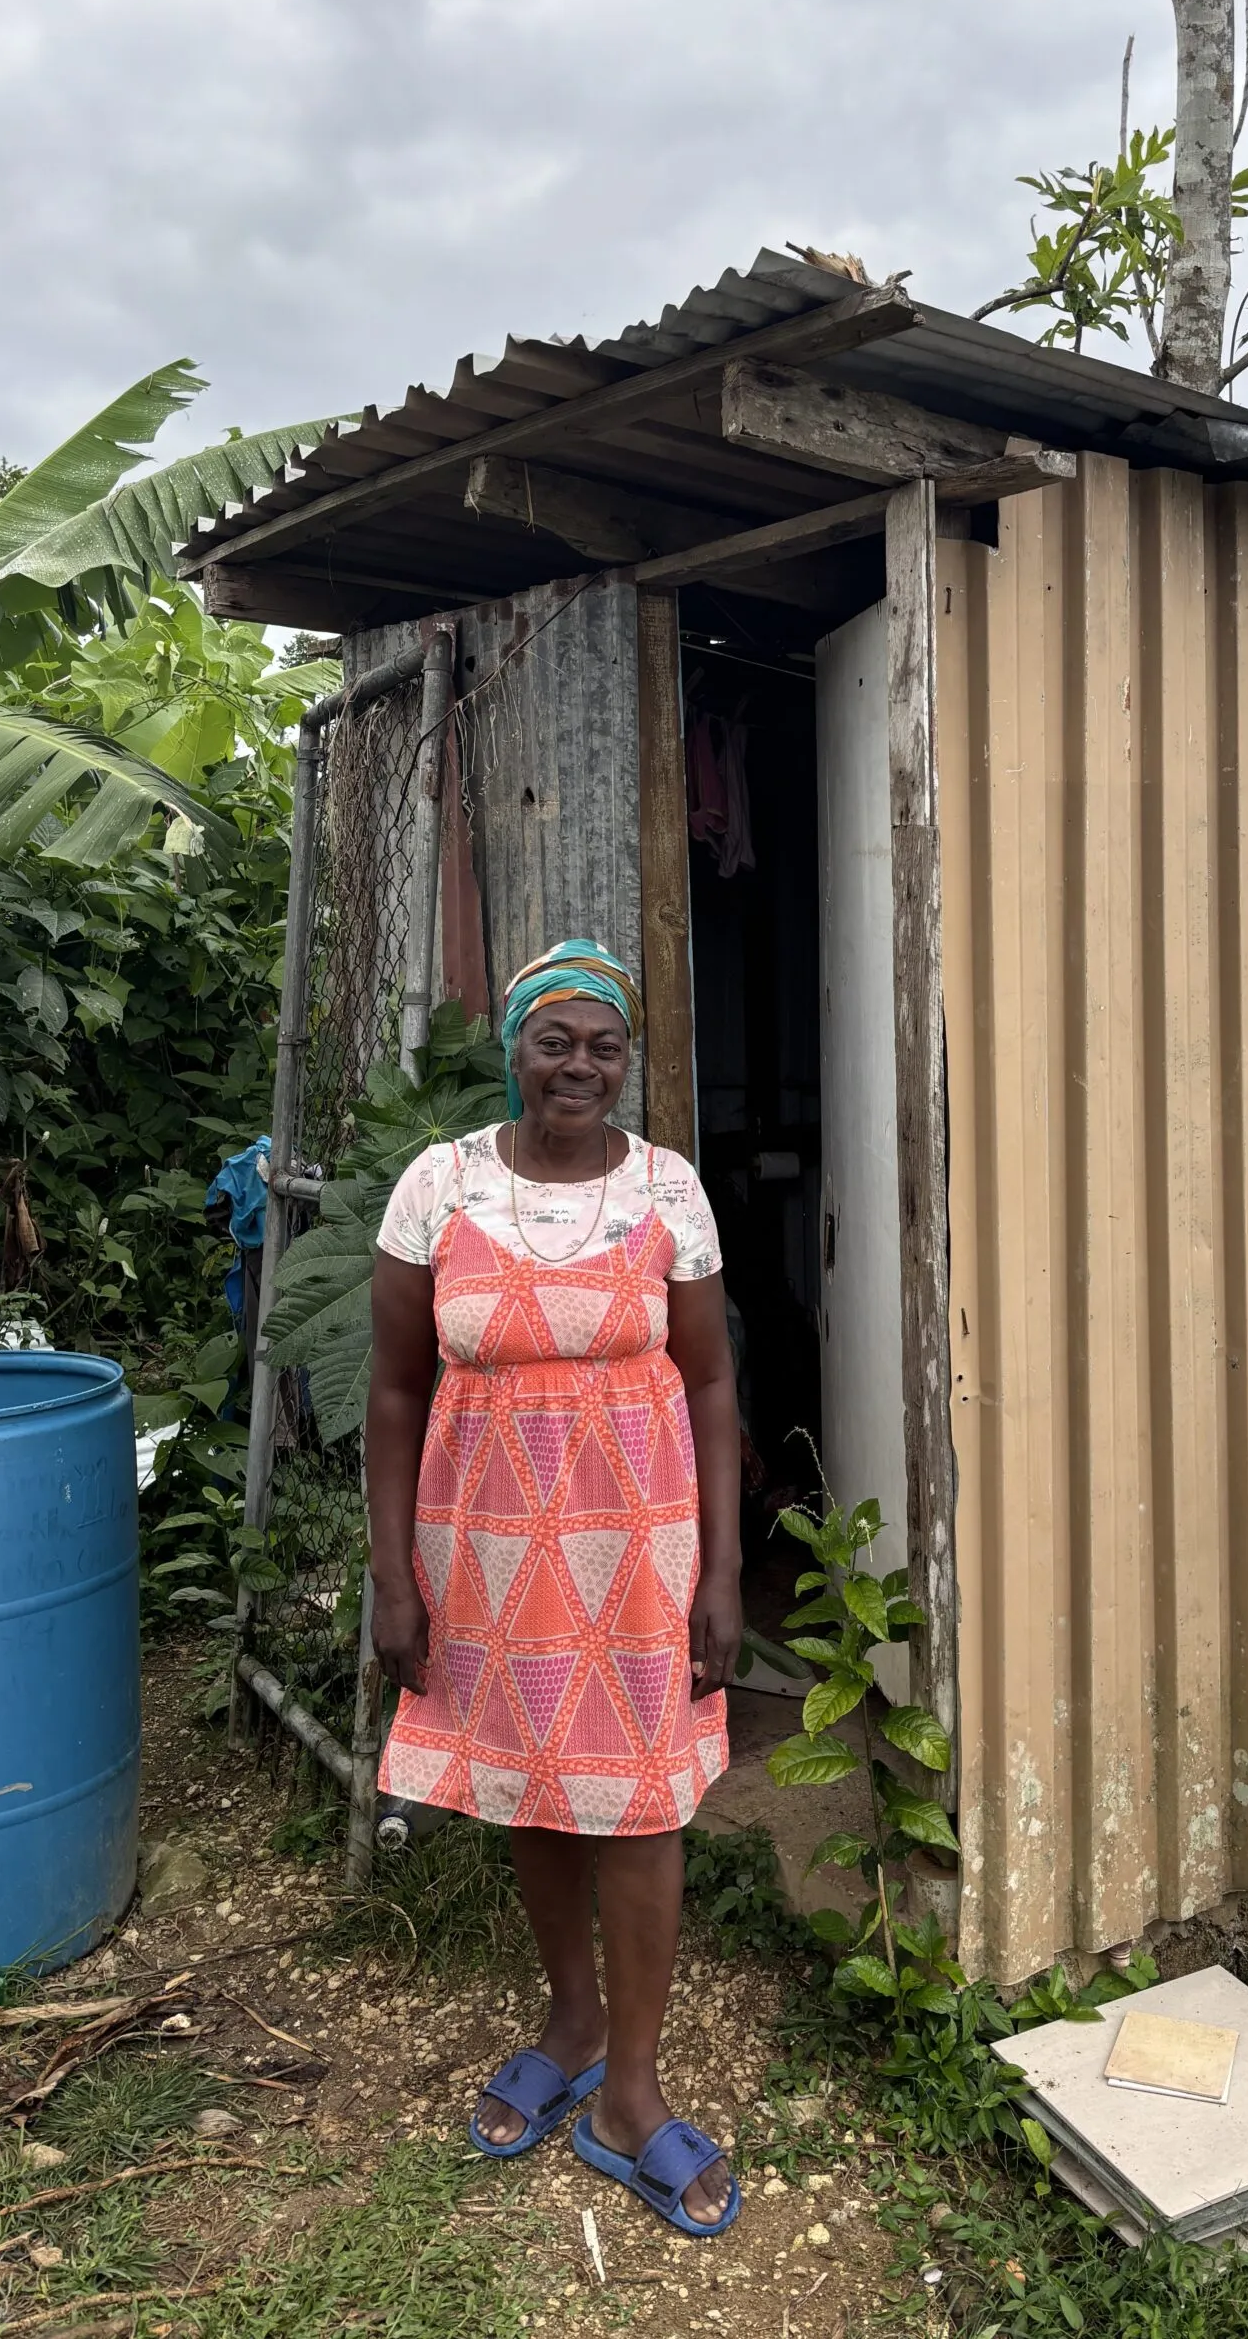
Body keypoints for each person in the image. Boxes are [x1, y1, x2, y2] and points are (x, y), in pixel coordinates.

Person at [366, 936, 745, 2235]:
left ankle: (631, 2093)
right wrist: (393, 1576)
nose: (579, 1065)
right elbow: (397, 1386)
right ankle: (573, 2018)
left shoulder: (669, 1191)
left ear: (623, 1059)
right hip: (489, 1551)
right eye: (554, 1039)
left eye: (604, 1044)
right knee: (535, 1785)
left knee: (639, 1811)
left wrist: (725, 1572)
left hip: (640, 1551)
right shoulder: (440, 1186)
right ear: (515, 1047)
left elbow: (706, 1383)